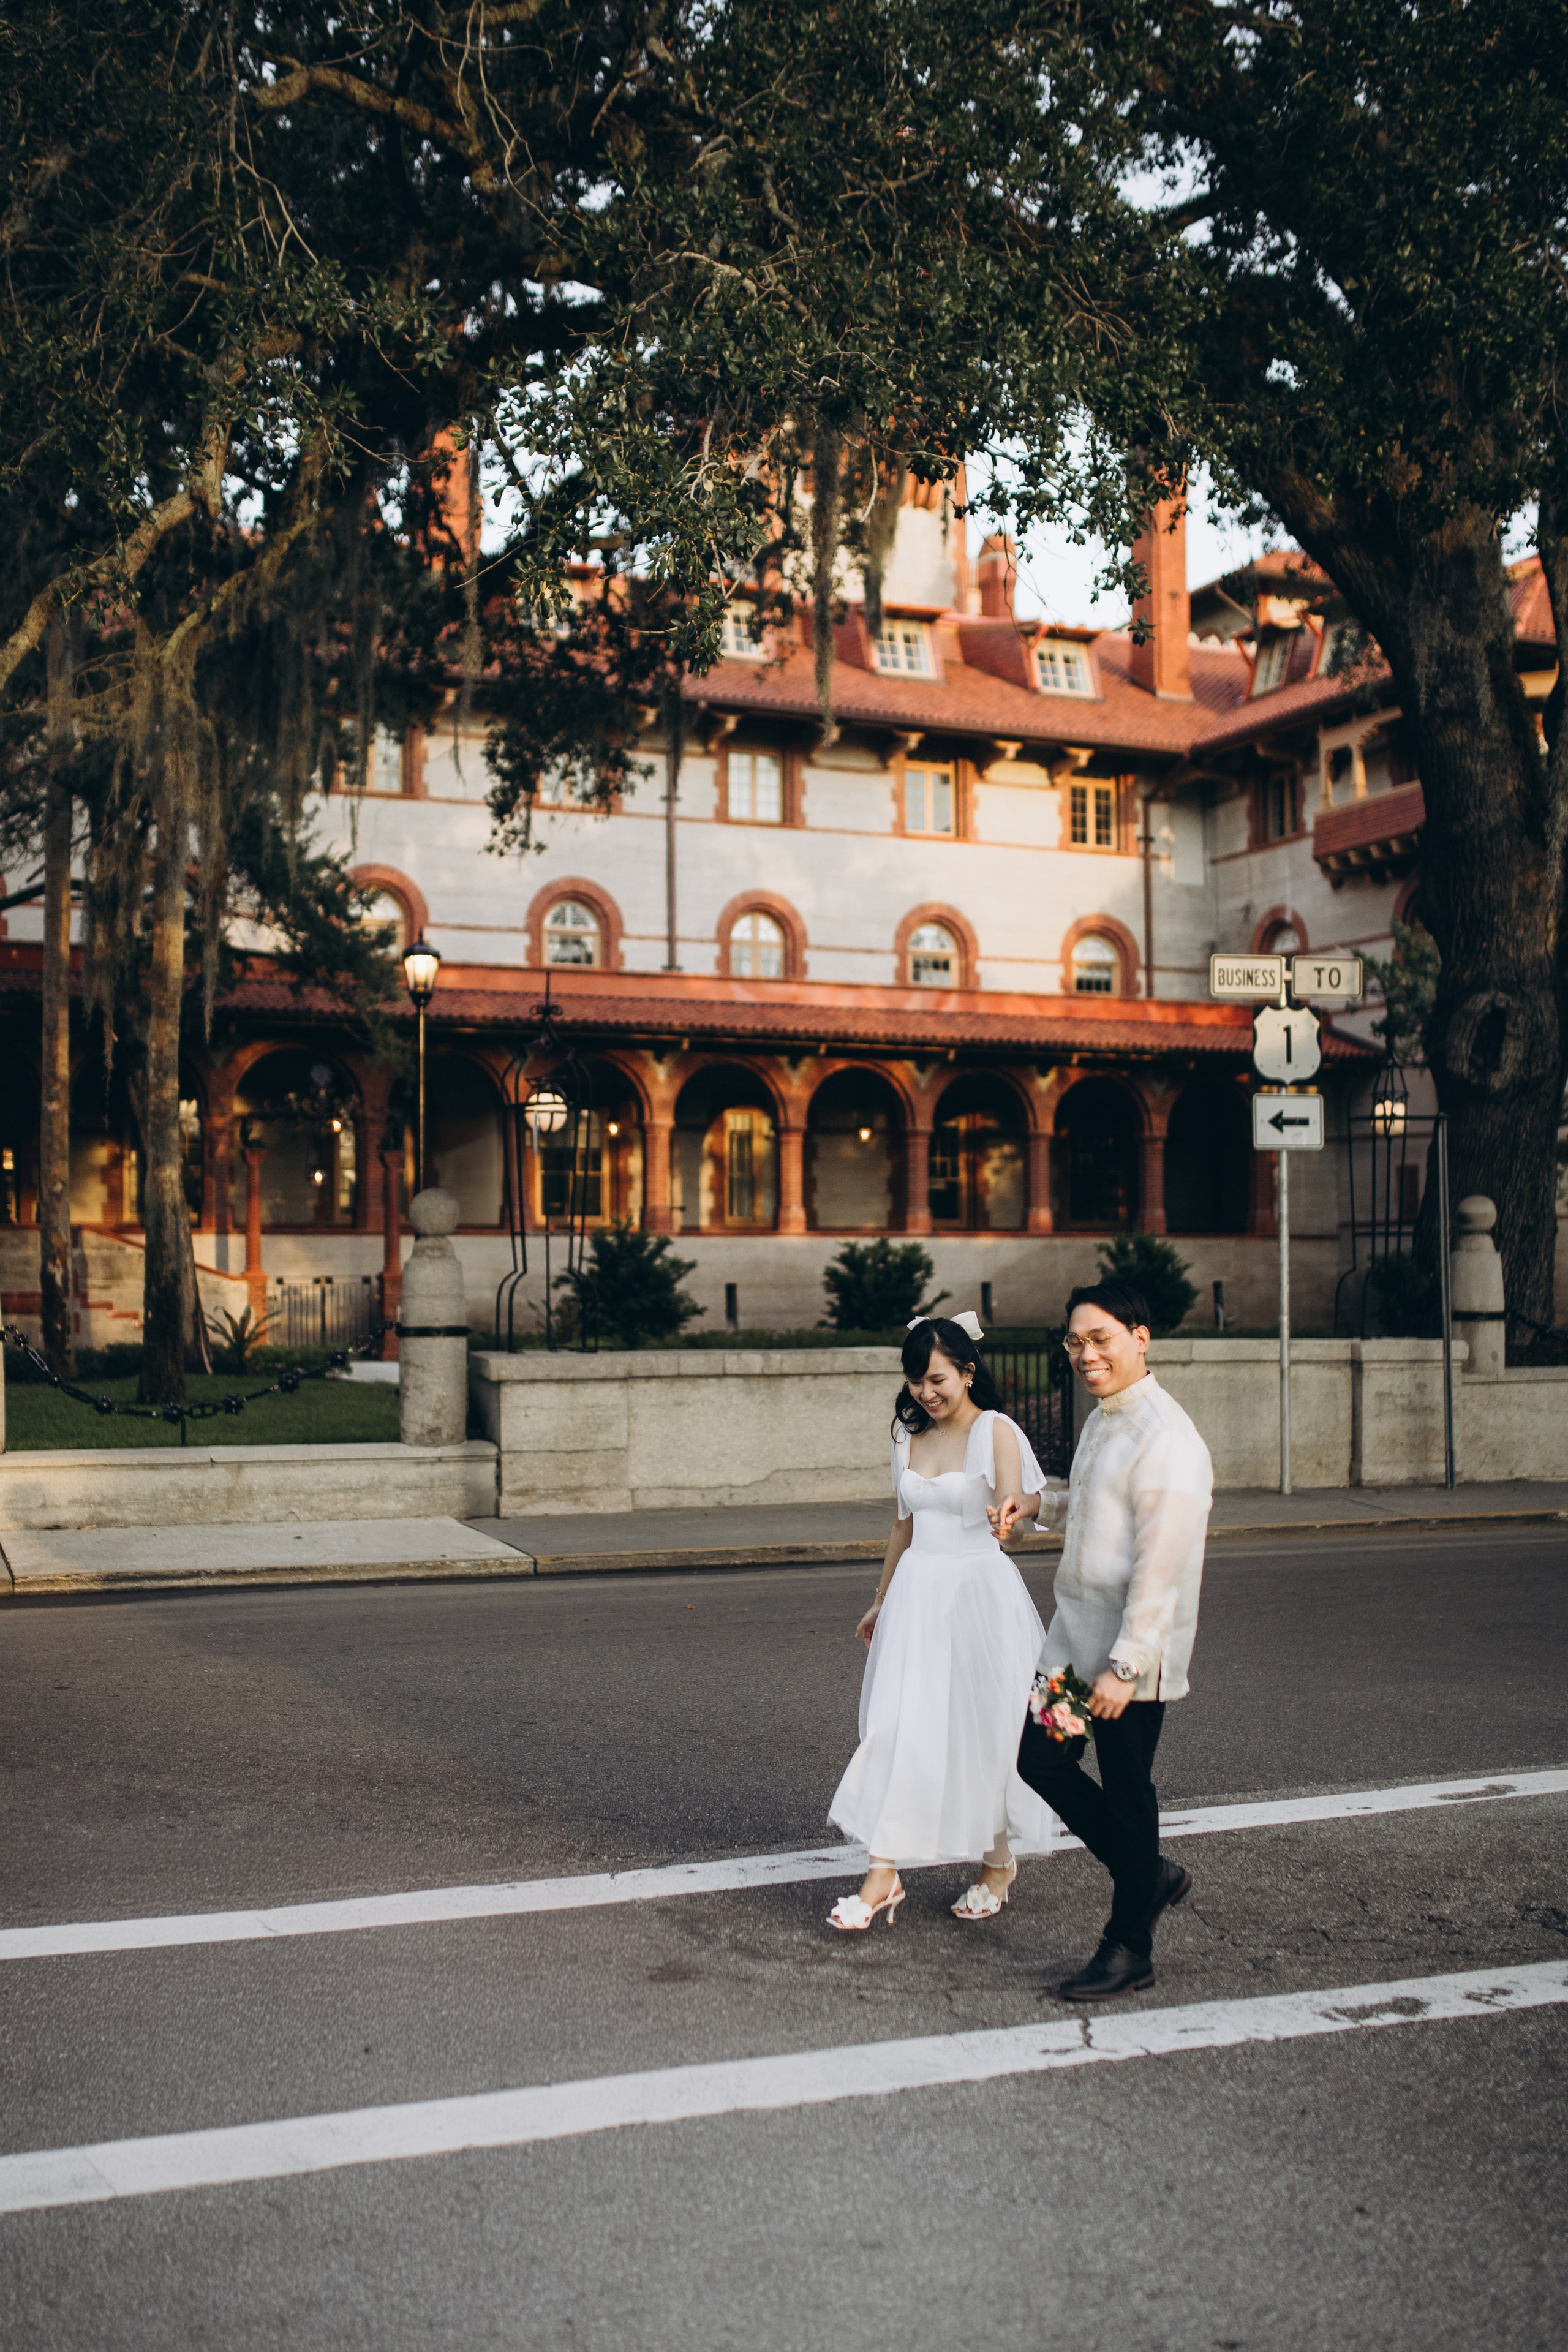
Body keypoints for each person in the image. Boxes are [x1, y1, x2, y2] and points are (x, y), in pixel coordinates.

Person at [826, 1311, 1063, 1932]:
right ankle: (883, 1871)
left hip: (979, 1593)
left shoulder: (996, 1430)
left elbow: (1015, 1513)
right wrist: (880, 1600)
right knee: (899, 1725)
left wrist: (1008, 1521)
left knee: (985, 1731)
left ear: (967, 1372)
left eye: (937, 1380)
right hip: (916, 1595)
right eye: (916, 1381)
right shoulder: (907, 1438)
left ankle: (997, 1863)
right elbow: (902, 1525)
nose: (926, 1393)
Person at [1015, 1278, 1213, 2002]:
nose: (1086, 1355)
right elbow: (1094, 1502)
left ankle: (1130, 1947)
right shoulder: (1107, 1417)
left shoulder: (1168, 1439)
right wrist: (1038, 1505)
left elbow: (1161, 1569)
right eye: (1075, 1342)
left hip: (1129, 1658)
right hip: (1074, 1647)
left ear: (1140, 1338)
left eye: (1100, 1339)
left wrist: (1126, 1666)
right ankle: (1148, 1873)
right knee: (1040, 1761)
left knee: (1129, 1791)